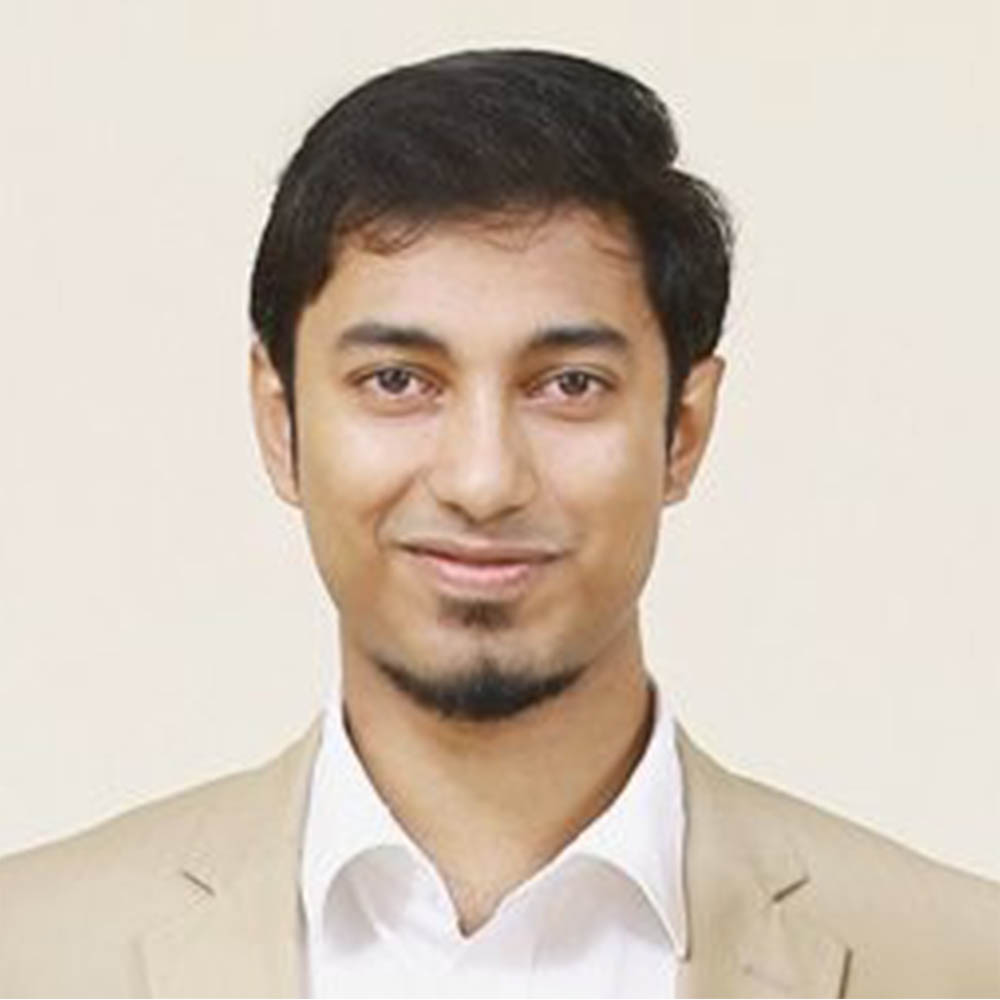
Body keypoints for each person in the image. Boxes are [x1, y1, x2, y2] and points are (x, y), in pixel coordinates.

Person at [0, 48, 996, 999]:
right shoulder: (32, 950)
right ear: (280, 420)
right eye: (397, 380)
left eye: (570, 384)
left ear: (683, 429)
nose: (483, 482)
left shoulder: (959, 963)